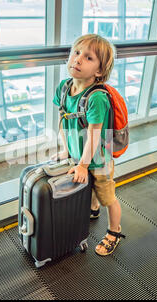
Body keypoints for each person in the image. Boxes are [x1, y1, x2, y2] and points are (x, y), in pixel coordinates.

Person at [52, 34, 125, 256]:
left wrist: (84, 164)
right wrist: (65, 149)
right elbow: (63, 120)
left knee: (107, 197)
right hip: (78, 156)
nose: (78, 59)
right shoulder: (64, 88)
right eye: (76, 53)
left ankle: (114, 231)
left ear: (99, 71)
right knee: (88, 188)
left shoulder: (97, 98)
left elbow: (94, 135)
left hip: (98, 160)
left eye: (88, 57)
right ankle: (93, 209)